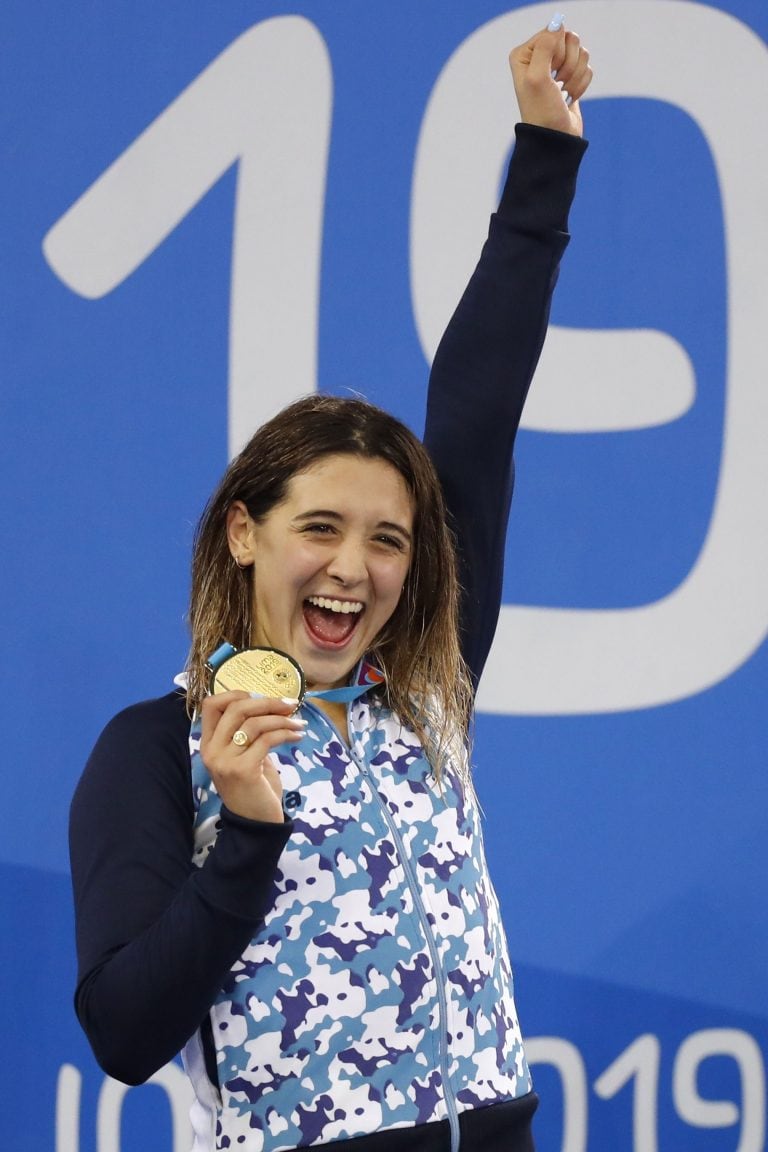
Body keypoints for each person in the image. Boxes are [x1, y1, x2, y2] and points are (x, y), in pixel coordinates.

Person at [70, 19, 592, 1152]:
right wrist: (246, 833)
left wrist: (544, 160)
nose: (356, 567)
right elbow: (121, 1031)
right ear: (243, 533)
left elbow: (476, 415)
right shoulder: (159, 749)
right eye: (321, 527)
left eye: (390, 540)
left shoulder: (428, 692)